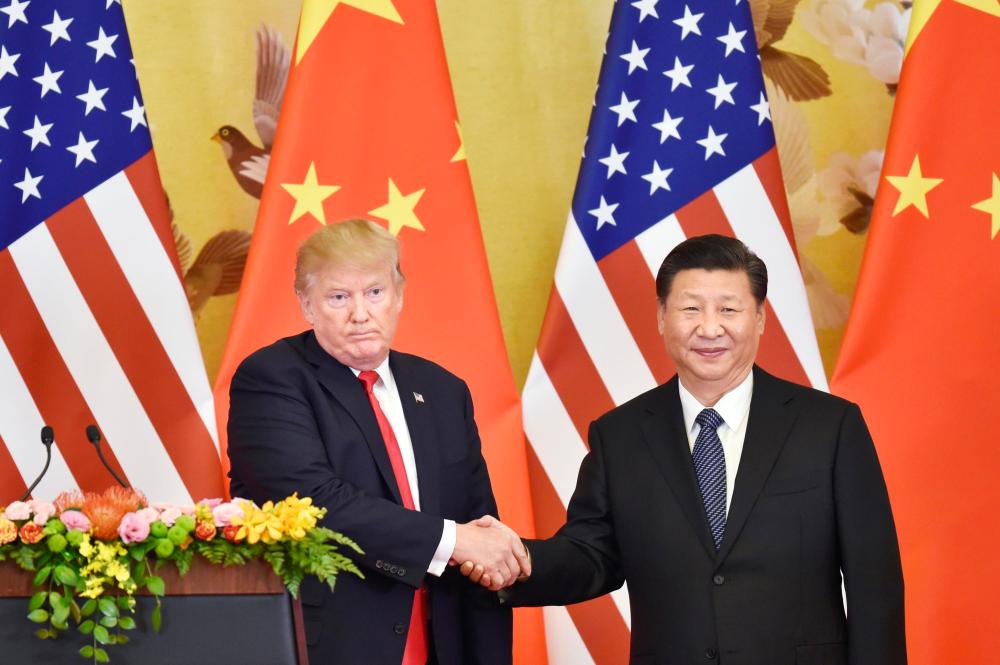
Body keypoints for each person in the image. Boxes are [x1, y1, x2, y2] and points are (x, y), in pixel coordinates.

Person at [466, 234, 906, 664]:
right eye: (690, 308)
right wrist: (520, 559)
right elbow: (591, 555)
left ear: (759, 318)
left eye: (729, 309)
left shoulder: (829, 425)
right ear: (661, 317)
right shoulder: (620, 435)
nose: (709, 328)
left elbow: (875, 583)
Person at [227, 219, 528, 665]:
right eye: (338, 297)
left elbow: (477, 524)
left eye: (374, 292)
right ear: (306, 304)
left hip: (442, 640)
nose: (361, 314)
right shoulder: (271, 378)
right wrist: (453, 541)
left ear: (400, 295)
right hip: (332, 645)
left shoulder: (443, 389)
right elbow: (312, 502)